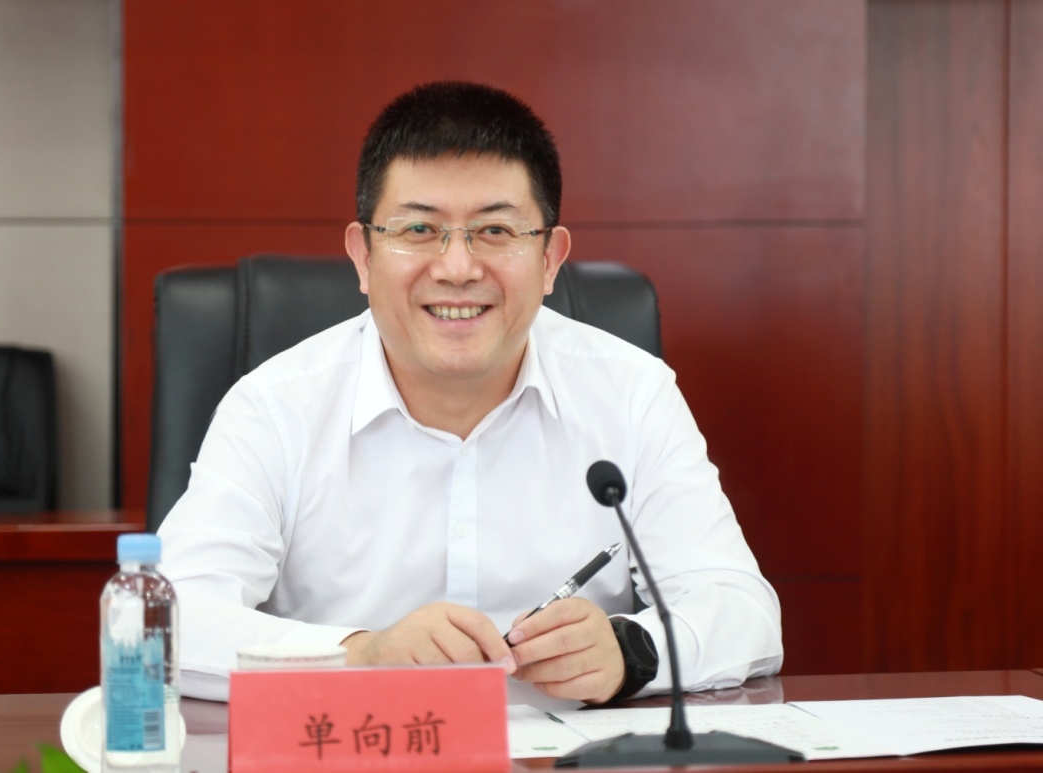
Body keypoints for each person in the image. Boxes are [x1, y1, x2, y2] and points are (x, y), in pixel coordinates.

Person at [157, 81, 783, 704]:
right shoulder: (274, 408)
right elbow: (167, 622)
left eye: (496, 231)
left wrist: (629, 651)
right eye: (419, 228)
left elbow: (742, 610)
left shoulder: (631, 394)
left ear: (550, 259)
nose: (457, 268)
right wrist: (361, 655)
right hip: (357, 741)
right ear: (363, 257)